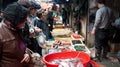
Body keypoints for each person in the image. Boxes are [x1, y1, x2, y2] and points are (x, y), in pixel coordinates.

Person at [0, 2, 30, 67]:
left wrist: (26, 53)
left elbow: (22, 47)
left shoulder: (16, 28)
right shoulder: (1, 34)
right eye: (24, 20)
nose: (25, 22)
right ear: (16, 20)